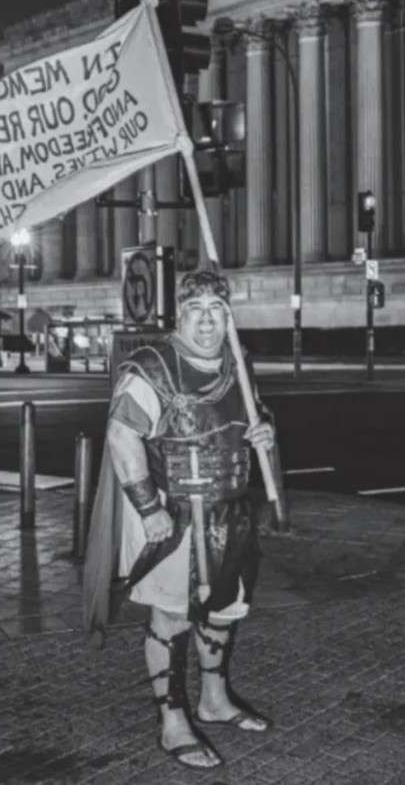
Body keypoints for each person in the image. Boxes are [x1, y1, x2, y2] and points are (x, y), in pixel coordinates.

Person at [83, 269, 276, 770]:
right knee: (170, 618)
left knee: (222, 612)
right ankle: (172, 722)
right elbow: (122, 437)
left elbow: (252, 414)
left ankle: (214, 700)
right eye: (197, 311)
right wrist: (149, 511)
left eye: (217, 310)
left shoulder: (238, 361)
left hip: (231, 511)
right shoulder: (152, 367)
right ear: (180, 315)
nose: (208, 321)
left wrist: (265, 432)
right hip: (178, 517)